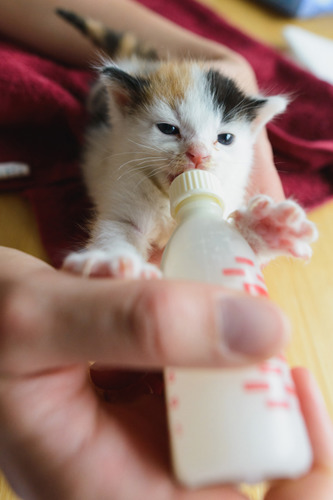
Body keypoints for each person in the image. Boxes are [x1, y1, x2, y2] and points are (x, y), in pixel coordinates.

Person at [0, 1, 332, 498]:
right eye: (170, 130)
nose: (200, 155)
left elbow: (226, 253)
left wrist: (258, 234)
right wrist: (117, 260)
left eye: (224, 138)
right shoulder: (128, 153)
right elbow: (123, 227)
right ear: (124, 109)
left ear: (250, 132)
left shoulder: (231, 164)